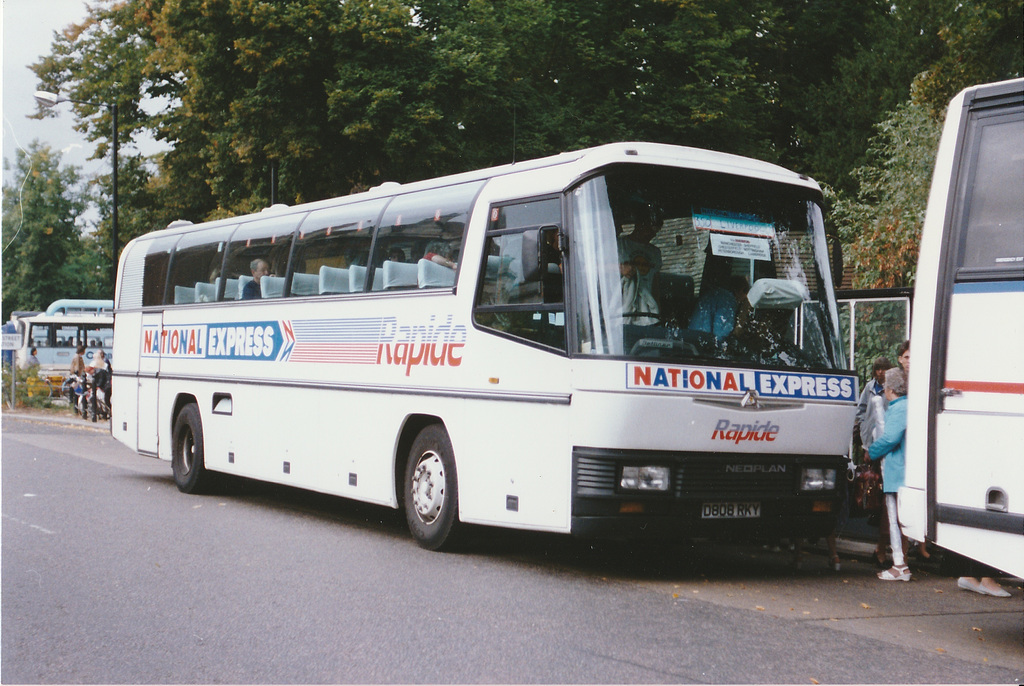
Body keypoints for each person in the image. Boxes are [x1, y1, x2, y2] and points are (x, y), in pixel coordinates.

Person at [868, 367, 911, 581]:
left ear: (890, 389)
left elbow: (891, 437)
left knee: (894, 519)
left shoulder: (900, 407)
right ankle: (900, 563)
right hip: (903, 469)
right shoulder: (904, 406)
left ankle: (899, 565)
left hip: (896, 469)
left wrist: (872, 452)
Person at [617, 207, 663, 326]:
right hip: (621, 312)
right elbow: (597, 268)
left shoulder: (655, 253)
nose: (652, 234)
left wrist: (657, 314)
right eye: (649, 229)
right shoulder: (620, 245)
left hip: (647, 314)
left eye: (655, 231)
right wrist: (619, 268)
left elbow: (655, 285)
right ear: (639, 224)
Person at [90, 350, 111, 423]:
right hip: (106, 385)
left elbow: (101, 377)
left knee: (102, 399)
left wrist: (98, 385)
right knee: (105, 400)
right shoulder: (103, 364)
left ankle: (100, 414)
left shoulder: (99, 365)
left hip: (104, 385)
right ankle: (105, 414)